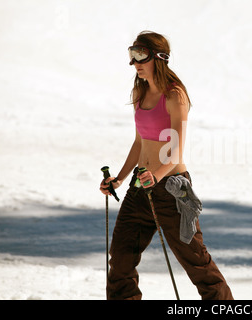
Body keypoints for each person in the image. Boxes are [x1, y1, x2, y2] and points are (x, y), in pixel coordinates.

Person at [100, 31, 233, 300]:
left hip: (172, 190)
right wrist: (120, 179)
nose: (135, 62)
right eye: (132, 54)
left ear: (159, 58)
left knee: (196, 262)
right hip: (141, 186)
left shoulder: (175, 95)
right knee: (121, 258)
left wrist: (156, 175)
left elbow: (175, 150)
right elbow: (140, 143)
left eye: (141, 55)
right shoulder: (140, 92)